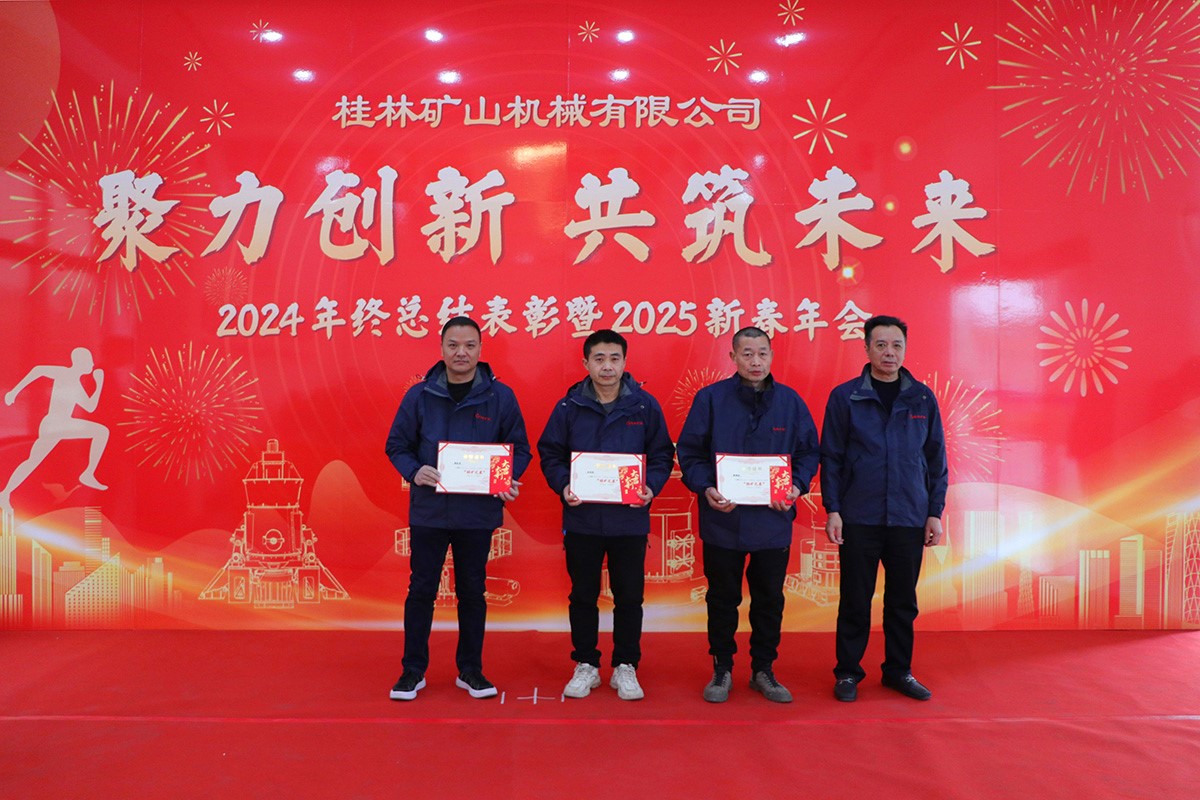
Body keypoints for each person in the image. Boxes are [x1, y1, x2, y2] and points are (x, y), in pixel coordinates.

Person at [385, 316, 530, 701]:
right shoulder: (419, 396)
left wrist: (506, 477)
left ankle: (471, 670)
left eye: (469, 345)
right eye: (453, 345)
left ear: (480, 350)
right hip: (430, 511)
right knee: (421, 589)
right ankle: (412, 670)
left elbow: (520, 449)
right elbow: (396, 445)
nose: (461, 352)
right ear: (442, 349)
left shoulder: (501, 397)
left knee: (472, 591)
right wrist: (414, 471)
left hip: (476, 513)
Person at [676, 326, 819, 703]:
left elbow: (809, 453)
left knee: (769, 599)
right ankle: (722, 668)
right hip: (723, 519)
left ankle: (763, 669)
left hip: (773, 520)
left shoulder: (790, 402)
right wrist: (706, 487)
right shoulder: (710, 400)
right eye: (747, 354)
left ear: (771, 356)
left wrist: (796, 486)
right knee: (722, 598)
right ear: (733, 358)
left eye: (762, 353)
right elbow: (689, 453)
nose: (756, 361)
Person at [537, 329, 675, 701]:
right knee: (583, 595)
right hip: (582, 518)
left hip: (629, 519)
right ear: (586, 363)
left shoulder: (644, 406)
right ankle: (586, 663)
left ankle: (626, 665)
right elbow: (550, 453)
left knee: (629, 597)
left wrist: (651, 487)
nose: (607, 366)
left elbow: (662, 454)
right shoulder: (568, 407)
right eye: (599, 359)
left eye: (614, 358)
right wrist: (563, 485)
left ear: (625, 362)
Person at [821, 315, 948, 703]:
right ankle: (848, 672)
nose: (889, 353)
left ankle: (898, 671)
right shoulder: (845, 397)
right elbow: (832, 457)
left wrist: (934, 512)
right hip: (859, 515)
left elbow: (936, 459)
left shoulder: (922, 398)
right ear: (866, 348)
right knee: (855, 600)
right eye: (880, 345)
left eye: (896, 345)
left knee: (902, 602)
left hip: (909, 515)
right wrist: (833, 509)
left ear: (905, 349)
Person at [2, 347, 109, 512]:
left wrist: (99, 384)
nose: (93, 364)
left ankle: (5, 493)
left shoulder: (75, 382)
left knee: (32, 461)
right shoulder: (64, 373)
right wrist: (14, 392)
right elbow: (38, 370)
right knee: (101, 432)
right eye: (90, 360)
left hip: (60, 424)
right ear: (81, 362)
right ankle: (88, 473)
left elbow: (90, 407)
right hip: (56, 424)